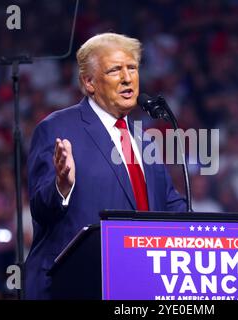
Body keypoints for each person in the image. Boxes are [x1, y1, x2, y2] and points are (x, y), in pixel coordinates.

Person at [25, 33, 186, 299]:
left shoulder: (143, 140)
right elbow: (41, 208)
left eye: (132, 68)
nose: (127, 78)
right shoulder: (58, 127)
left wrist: (213, 234)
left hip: (136, 286)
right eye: (115, 70)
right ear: (89, 82)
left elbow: (169, 206)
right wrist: (62, 186)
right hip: (75, 286)